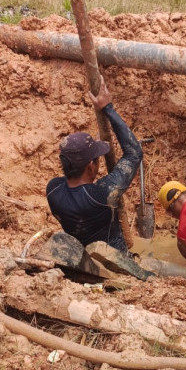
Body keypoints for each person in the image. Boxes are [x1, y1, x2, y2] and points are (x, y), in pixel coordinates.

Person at [46, 76, 141, 252]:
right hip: (112, 259)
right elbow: (134, 153)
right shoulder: (100, 195)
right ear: (90, 166)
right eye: (97, 159)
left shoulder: (52, 189)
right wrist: (108, 108)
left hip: (83, 255)